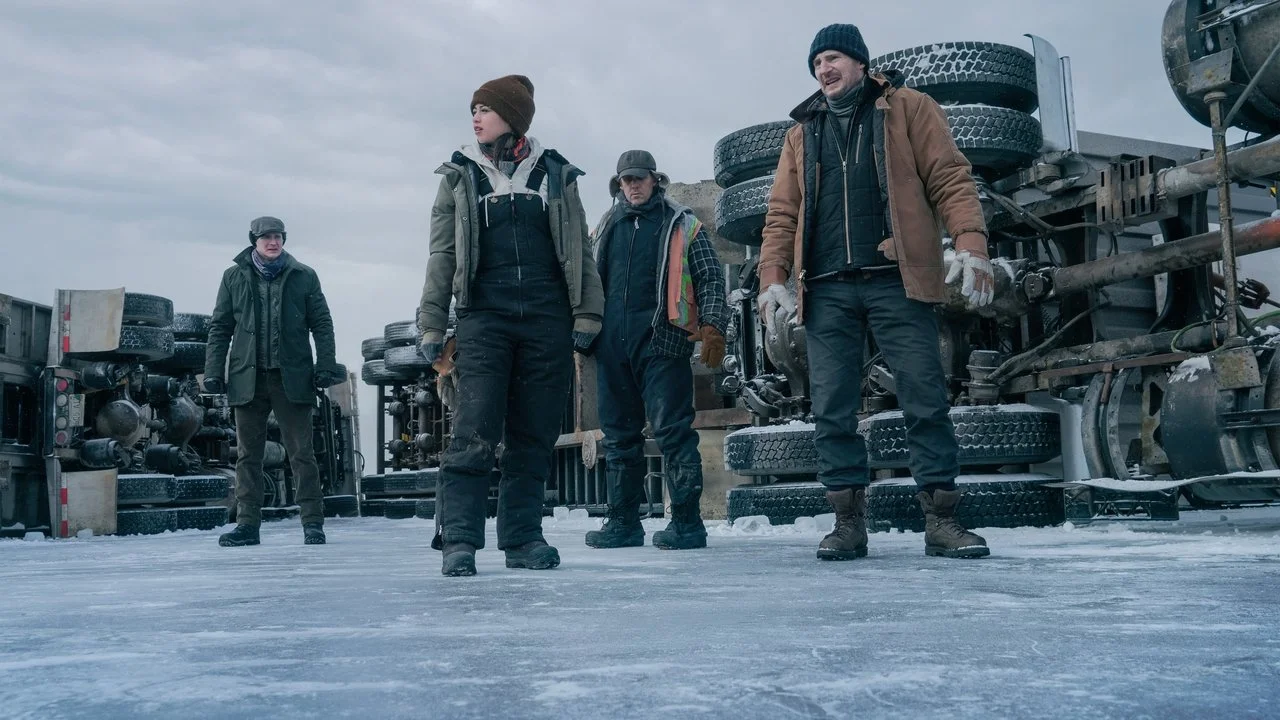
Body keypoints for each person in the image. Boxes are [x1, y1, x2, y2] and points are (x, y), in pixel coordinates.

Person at [758, 23, 995, 561]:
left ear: (861, 63)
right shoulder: (801, 134)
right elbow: (782, 213)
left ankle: (942, 521)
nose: (824, 69)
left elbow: (950, 177)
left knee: (925, 398)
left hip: (896, 279)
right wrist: (772, 278)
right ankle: (847, 524)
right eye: (817, 63)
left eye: (833, 58)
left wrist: (971, 242)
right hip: (826, 288)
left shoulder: (909, 109)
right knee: (832, 409)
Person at [417, 74, 605, 577]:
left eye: (484, 109)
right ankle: (459, 540)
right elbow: (441, 254)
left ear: (513, 117)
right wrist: (432, 323)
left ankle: (523, 539)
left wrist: (588, 312)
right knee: (474, 429)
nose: (475, 118)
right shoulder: (460, 176)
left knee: (533, 434)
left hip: (546, 320)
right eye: (473, 110)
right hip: (484, 320)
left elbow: (580, 249)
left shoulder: (555, 174)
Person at [582, 150, 728, 551]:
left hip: (663, 343)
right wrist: (582, 330)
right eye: (626, 180)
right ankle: (623, 523)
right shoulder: (606, 226)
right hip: (613, 346)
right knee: (618, 436)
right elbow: (588, 283)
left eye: (639, 178)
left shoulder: (682, 224)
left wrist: (713, 325)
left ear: (655, 180)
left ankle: (687, 524)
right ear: (618, 185)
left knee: (673, 432)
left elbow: (711, 278)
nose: (633, 186)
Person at [204, 216, 346, 547]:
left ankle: (313, 523)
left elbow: (322, 323)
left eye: (278, 236)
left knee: (302, 454)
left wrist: (326, 365)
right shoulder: (233, 277)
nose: (273, 242)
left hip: (292, 378)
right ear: (253, 240)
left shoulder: (304, 275)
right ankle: (247, 526)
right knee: (248, 456)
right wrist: (213, 372)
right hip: (247, 377)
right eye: (266, 236)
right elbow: (220, 327)